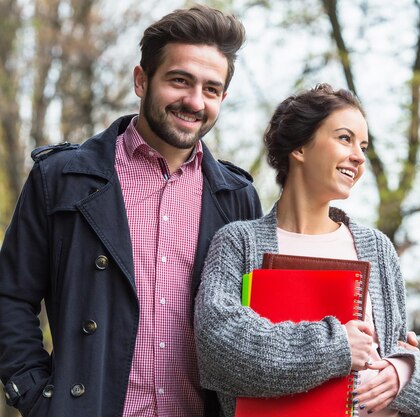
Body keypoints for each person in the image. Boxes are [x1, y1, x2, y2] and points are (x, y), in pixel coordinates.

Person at [0, 5, 262, 417]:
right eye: (180, 81)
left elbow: (253, 324)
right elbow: (10, 297)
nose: (195, 101)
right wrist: (35, 394)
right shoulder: (62, 177)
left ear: (222, 98)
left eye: (211, 89)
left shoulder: (238, 197)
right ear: (142, 80)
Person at [194, 84, 420, 417]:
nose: (359, 156)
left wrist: (403, 371)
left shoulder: (377, 248)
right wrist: (335, 346)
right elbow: (219, 347)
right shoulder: (239, 242)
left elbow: (400, 350)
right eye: (345, 138)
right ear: (300, 148)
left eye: (363, 146)